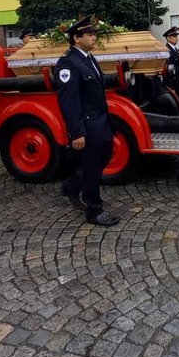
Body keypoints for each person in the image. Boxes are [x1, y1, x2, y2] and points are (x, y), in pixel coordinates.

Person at [54, 15, 119, 227]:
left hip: (101, 122)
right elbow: (69, 102)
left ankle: (73, 186)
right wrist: (77, 133)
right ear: (76, 38)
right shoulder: (68, 64)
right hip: (88, 126)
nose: (93, 37)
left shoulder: (88, 58)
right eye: (90, 34)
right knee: (91, 167)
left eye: (93, 33)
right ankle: (94, 209)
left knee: (106, 155)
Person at [162, 26, 179, 111]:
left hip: (178, 83)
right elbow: (168, 70)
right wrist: (171, 87)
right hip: (173, 84)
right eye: (174, 36)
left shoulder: (174, 49)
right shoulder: (167, 50)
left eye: (177, 36)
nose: (177, 39)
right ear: (168, 38)